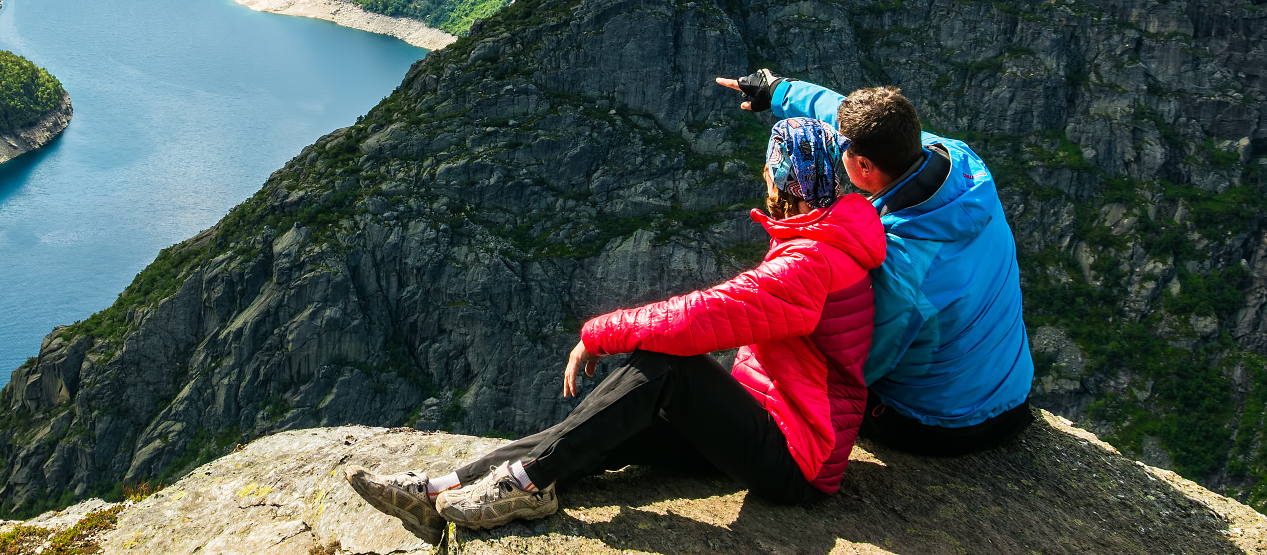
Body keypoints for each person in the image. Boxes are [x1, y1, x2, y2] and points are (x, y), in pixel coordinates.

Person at [345, 117, 885, 540]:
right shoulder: (825, 240)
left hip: (796, 460)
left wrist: (598, 333)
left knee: (670, 365)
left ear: (783, 178)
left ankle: (528, 485)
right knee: (604, 423)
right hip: (769, 429)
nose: (763, 179)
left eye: (769, 171)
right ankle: (441, 489)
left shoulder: (810, 263)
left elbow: (700, 316)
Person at [717, 70, 1034, 456]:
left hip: (940, 423)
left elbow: (855, 368)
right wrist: (780, 90)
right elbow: (848, 115)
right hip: (1012, 394)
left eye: (843, 150)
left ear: (864, 167)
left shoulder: (900, 264)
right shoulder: (961, 162)